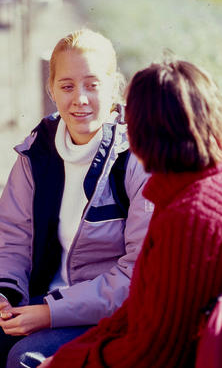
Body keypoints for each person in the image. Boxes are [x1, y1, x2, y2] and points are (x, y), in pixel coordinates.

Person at [0, 29, 152, 368]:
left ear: (114, 87)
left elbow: (137, 274)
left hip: (104, 316)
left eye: (92, 84)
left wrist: (50, 312)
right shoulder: (36, 152)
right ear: (51, 90)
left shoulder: (134, 160)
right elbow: (13, 239)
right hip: (37, 304)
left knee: (25, 357)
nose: (81, 99)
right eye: (67, 86)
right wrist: (3, 292)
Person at [36, 59, 222, 367]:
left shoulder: (190, 218)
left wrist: (66, 363)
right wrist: (67, 356)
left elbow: (154, 353)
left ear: (141, 132)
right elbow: (137, 310)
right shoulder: (184, 192)